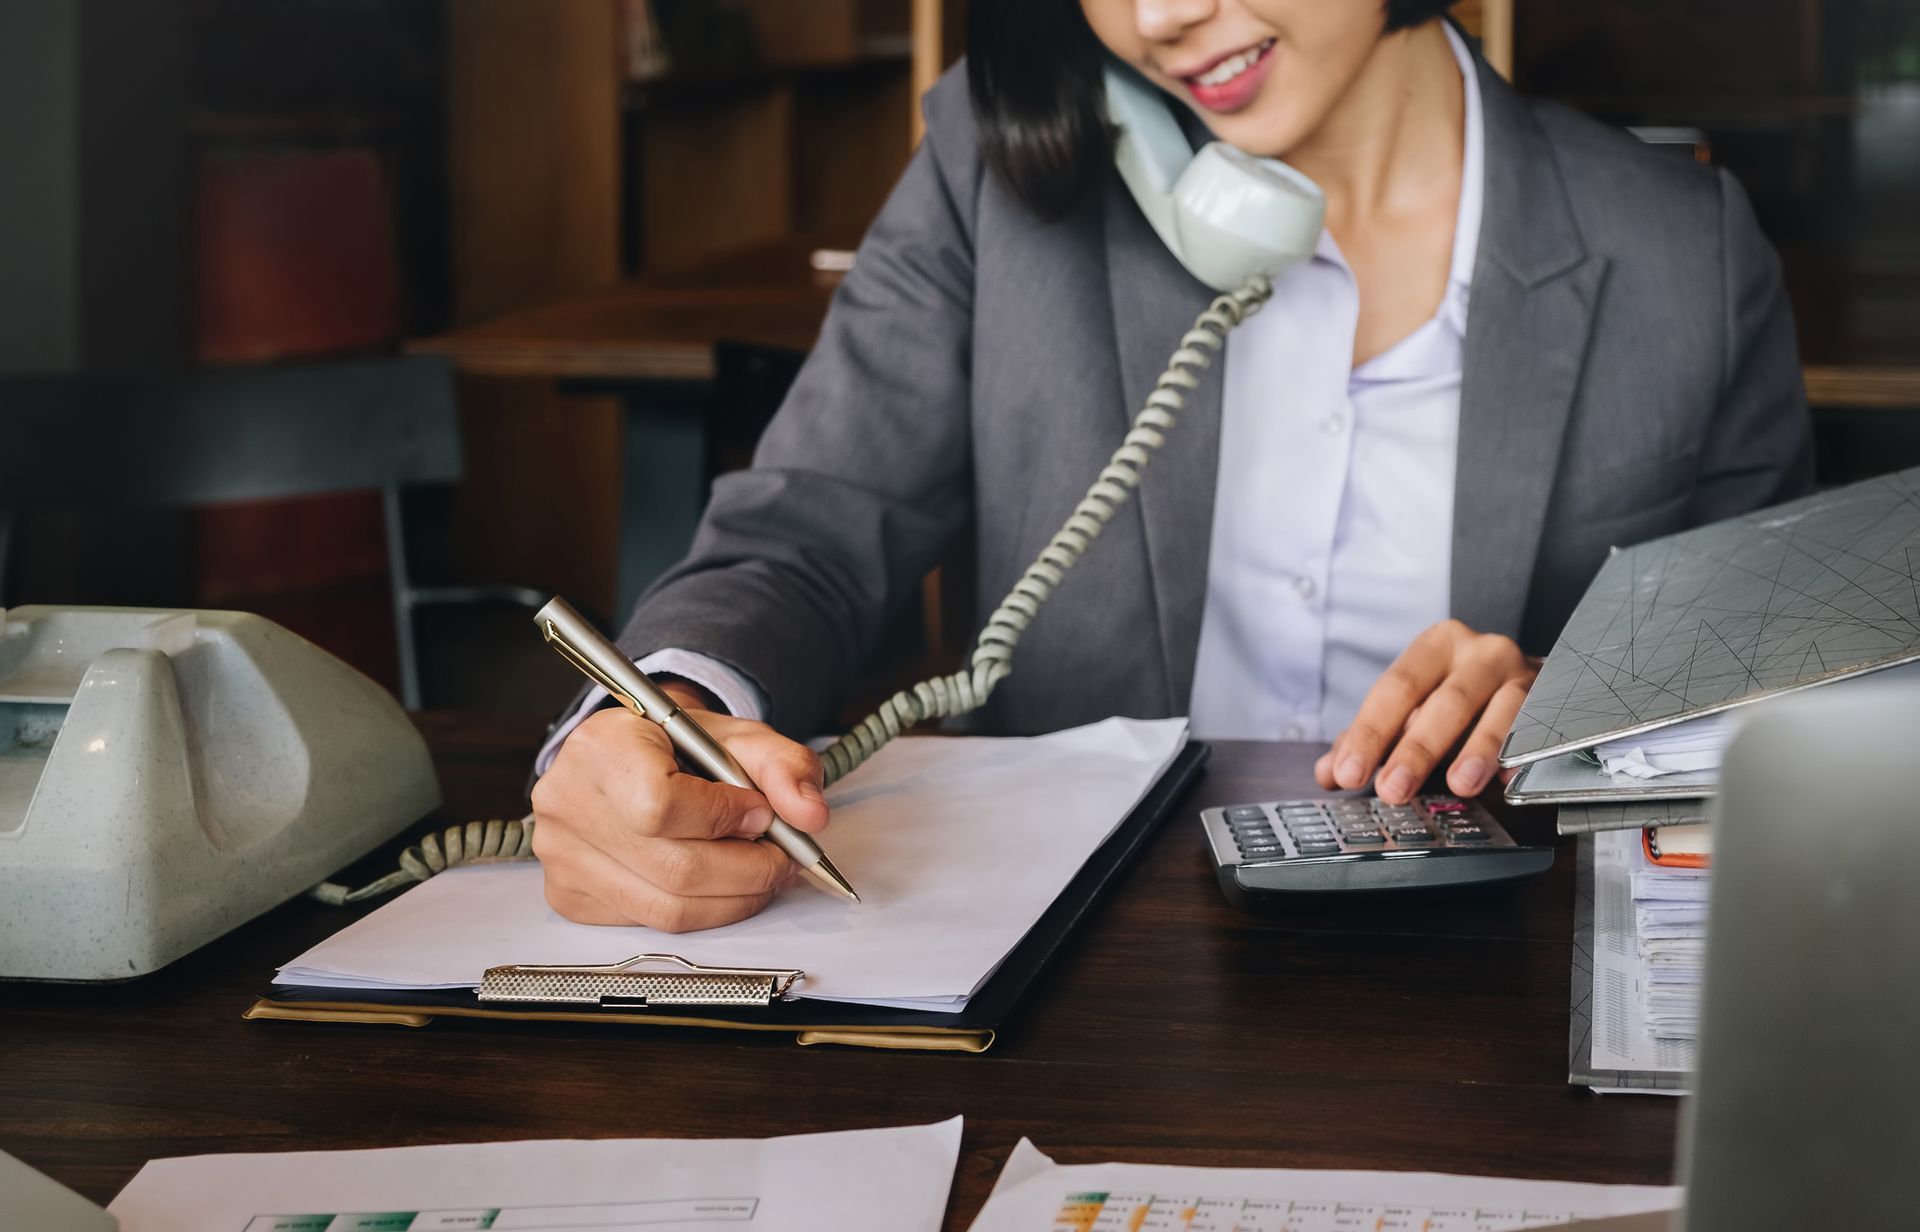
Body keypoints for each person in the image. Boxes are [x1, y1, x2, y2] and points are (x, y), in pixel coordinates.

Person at [530, 0, 1813, 931]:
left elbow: (1791, 689)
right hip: (1078, 965)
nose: (1161, 17)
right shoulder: (998, 180)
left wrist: (1573, 705)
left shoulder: (1680, 253)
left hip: (1496, 978)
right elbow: (804, 529)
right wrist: (654, 713)